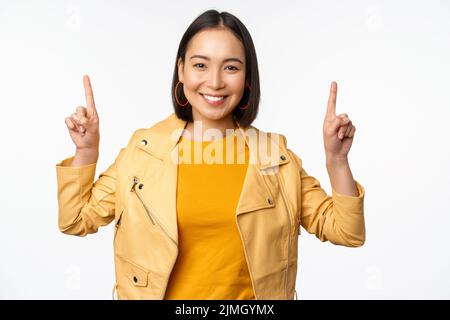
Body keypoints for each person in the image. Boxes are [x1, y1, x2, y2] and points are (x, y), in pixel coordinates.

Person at [56, 9, 365, 300]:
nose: (215, 81)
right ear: (181, 70)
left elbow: (346, 232)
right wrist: (86, 150)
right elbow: (75, 220)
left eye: (231, 67)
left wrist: (337, 161)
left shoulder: (275, 158)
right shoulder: (142, 153)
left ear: (247, 79)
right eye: (200, 65)